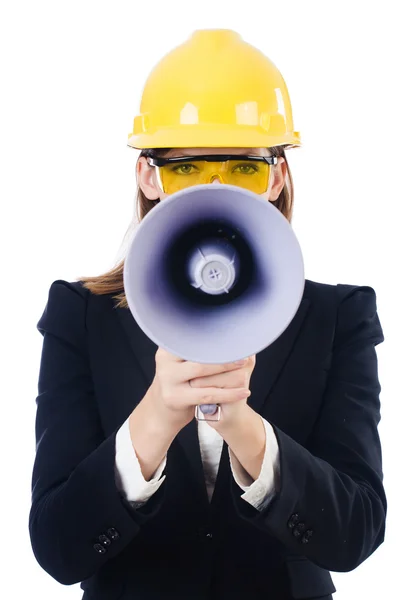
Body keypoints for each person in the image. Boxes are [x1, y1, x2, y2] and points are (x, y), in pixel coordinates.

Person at [29, 29, 387, 600]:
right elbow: (57, 548)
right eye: (188, 166)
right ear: (148, 175)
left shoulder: (337, 317)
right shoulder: (82, 316)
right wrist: (154, 419)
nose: (214, 186)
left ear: (277, 176)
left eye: (243, 166)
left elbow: (355, 537)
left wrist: (244, 429)